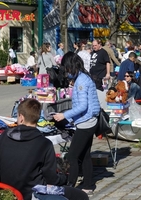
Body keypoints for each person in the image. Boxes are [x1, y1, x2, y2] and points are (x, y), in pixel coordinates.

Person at [0, 98, 88, 200]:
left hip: (7, 191)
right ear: (38, 119)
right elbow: (51, 179)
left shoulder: (3, 137)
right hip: (33, 194)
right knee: (81, 196)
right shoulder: (44, 144)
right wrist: (64, 177)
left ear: (20, 117)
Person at [53, 52, 100, 196]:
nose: (66, 73)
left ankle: (70, 187)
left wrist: (64, 115)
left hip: (86, 123)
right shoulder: (83, 78)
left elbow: (82, 107)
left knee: (72, 156)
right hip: (89, 121)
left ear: (71, 66)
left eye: (67, 69)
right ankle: (88, 185)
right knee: (85, 155)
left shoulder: (81, 82)